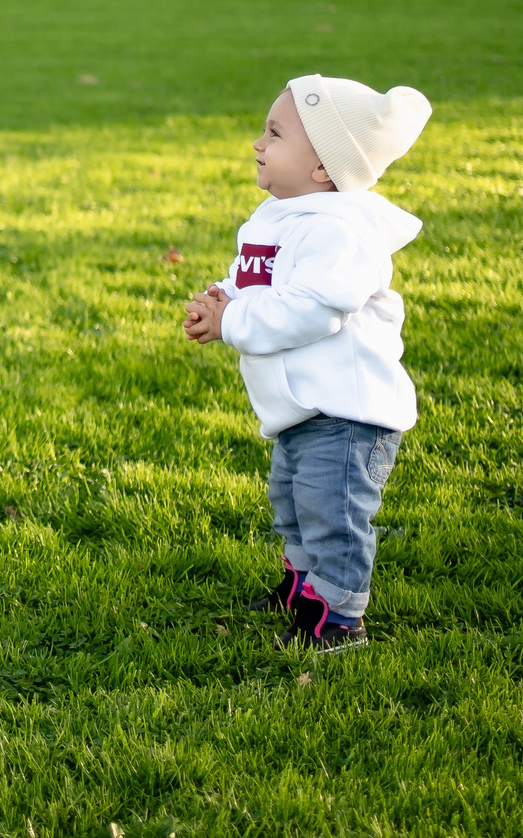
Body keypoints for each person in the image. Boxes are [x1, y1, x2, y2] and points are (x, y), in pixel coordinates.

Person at [185, 74, 433, 655]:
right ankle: (303, 589)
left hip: (347, 414)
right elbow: (260, 281)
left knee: (332, 514)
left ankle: (338, 619)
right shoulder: (278, 215)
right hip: (302, 409)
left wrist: (233, 324)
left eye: (274, 133)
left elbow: (312, 310)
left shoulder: (341, 231)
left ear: (324, 167)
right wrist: (223, 299)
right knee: (292, 504)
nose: (257, 144)